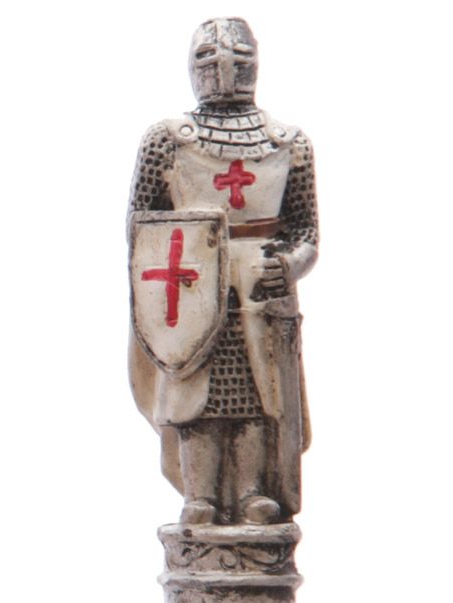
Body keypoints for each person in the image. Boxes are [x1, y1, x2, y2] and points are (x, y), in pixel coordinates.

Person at [128, 17, 318, 525]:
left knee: (258, 399)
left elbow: (306, 232)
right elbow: (141, 229)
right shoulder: (168, 141)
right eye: (208, 59)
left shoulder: (287, 143)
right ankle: (201, 496)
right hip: (193, 289)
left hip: (260, 289)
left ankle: (254, 492)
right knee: (197, 399)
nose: (225, 67)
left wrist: (289, 264)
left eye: (238, 57)